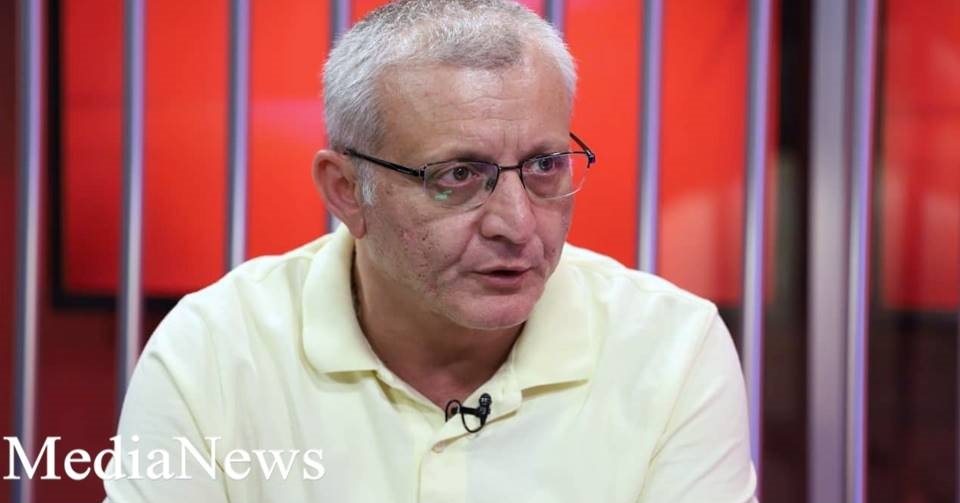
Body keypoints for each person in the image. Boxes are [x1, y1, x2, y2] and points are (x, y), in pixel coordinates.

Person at [104, 1, 757, 502]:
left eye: (545, 165)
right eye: (458, 175)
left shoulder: (671, 349)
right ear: (345, 190)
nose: (517, 223)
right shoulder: (215, 350)